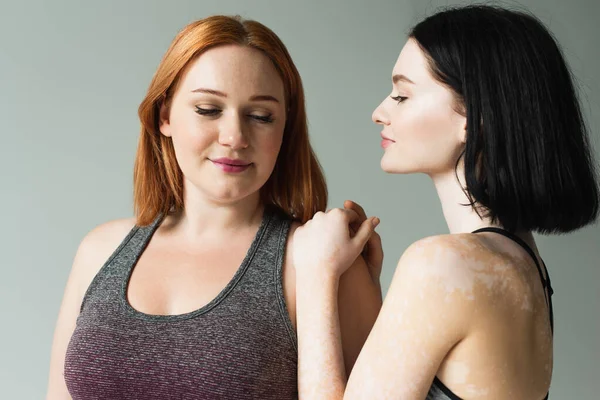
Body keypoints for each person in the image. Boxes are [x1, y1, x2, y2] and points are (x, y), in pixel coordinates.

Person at [45, 15, 382, 400]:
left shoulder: (326, 263)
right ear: (165, 116)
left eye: (260, 116)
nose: (235, 137)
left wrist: (325, 275)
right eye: (208, 109)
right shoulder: (100, 250)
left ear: (285, 128)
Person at [293, 5, 599, 400]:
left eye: (402, 95)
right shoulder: (525, 264)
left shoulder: (443, 263)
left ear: (473, 115)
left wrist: (316, 273)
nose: (379, 112)